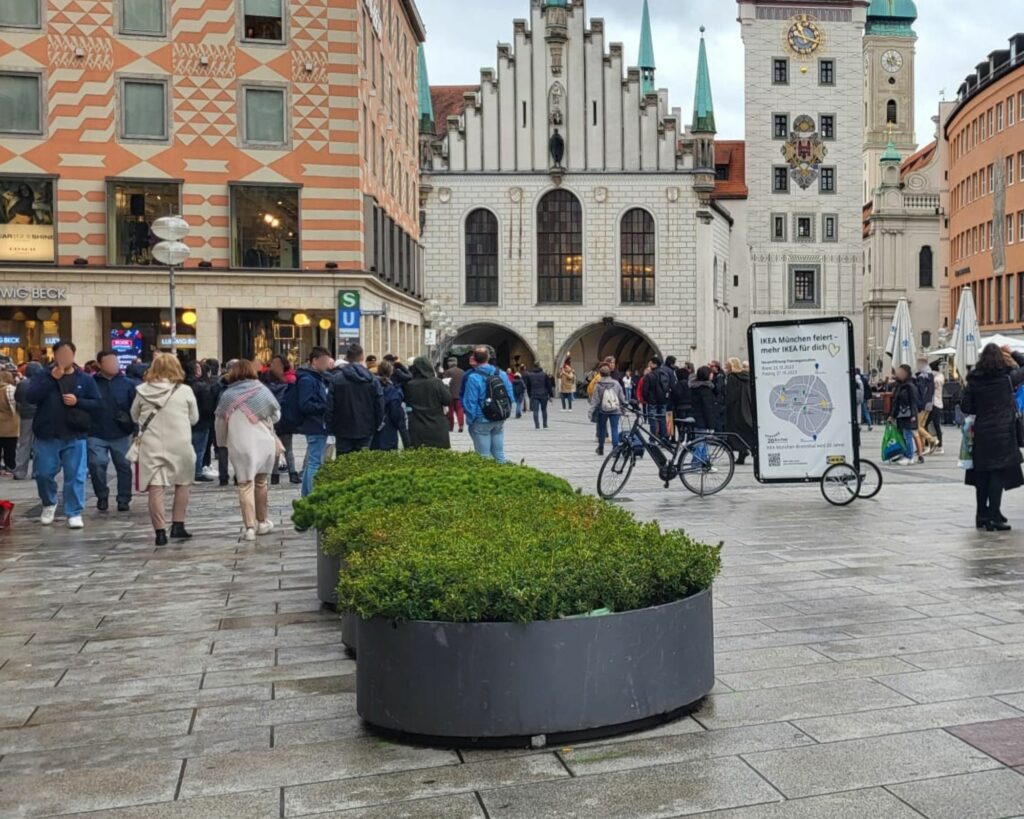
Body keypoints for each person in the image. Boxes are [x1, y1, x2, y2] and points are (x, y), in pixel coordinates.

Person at [27, 340, 100, 529]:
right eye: (61, 355)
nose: (64, 358)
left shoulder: (84, 379)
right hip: (47, 434)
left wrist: (78, 401)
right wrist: (51, 379)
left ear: (74, 356)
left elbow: (97, 404)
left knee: (75, 475)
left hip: (75, 434)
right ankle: (49, 503)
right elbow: (31, 397)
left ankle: (74, 511)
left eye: (68, 354)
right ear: (55, 355)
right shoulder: (43, 375)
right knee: (43, 474)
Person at [131, 353, 198, 545]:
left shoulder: (142, 390)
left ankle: (159, 532)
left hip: (151, 445)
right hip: (180, 443)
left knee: (156, 487)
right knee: (182, 483)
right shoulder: (185, 390)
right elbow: (194, 418)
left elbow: (134, 415)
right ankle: (178, 525)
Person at [215, 359, 281, 542]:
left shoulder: (227, 395)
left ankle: (249, 527)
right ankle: (262, 521)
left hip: (240, 444)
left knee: (245, 484)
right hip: (263, 442)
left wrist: (222, 443)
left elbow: (219, 422)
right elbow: (276, 415)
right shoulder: (262, 390)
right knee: (261, 482)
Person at [961, 344, 1024, 531]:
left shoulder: (974, 381)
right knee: (997, 473)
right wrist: (1012, 352)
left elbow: (966, 407)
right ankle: (994, 515)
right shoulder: (1007, 379)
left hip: (981, 432)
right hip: (1003, 432)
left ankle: (982, 515)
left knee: (981, 474)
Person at [87, 350, 137, 512]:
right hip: (95, 432)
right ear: (100, 364)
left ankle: (124, 498)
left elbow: (135, 409)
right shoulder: (91, 383)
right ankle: (102, 494)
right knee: (96, 464)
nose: (113, 365)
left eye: (115, 361)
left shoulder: (128, 384)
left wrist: (134, 427)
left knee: (123, 465)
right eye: (109, 362)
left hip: (121, 433)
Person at [327, 343, 384, 455]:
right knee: (362, 461)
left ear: (347, 357)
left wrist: (330, 426)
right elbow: (379, 404)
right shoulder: (372, 379)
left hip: (342, 427)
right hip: (366, 426)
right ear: (362, 357)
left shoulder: (336, 379)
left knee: (343, 461)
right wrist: (377, 424)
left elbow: (330, 405)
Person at [461, 346, 514, 463]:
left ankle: (488, 479)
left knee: (483, 456)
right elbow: (510, 395)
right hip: (499, 418)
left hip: (482, 419)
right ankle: (505, 476)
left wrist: (471, 420)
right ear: (488, 358)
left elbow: (470, 402)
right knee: (499, 454)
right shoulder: (501, 374)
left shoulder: (473, 377)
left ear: (474, 358)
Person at [294, 347, 332, 496]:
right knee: (316, 462)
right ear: (314, 361)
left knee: (313, 461)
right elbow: (304, 404)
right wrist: (325, 406)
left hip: (318, 424)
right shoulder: (307, 379)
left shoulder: (317, 378)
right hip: (315, 424)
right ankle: (312, 494)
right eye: (323, 362)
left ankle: (306, 494)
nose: (326, 365)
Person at [262, 355, 298, 485]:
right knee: (288, 448)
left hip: (272, 419)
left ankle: (274, 476)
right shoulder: (290, 383)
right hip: (286, 418)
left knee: (275, 448)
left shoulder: (265, 387)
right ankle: (293, 474)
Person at [403, 356, 451, 449]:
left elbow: (407, 401)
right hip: (437, 424)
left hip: (417, 425)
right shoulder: (436, 382)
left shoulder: (410, 385)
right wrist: (446, 387)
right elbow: (447, 400)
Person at [186, 360, 220, 485]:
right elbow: (208, 406)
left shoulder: (182, 386)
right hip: (202, 422)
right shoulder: (202, 386)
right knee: (199, 449)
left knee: (188, 449)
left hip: (185, 422)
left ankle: (188, 472)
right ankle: (197, 472)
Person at [13, 361, 43, 480]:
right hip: (40, 415)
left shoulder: (22, 384)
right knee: (39, 444)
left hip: (25, 416)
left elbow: (17, 398)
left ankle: (20, 471)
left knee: (24, 443)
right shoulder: (42, 383)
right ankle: (37, 471)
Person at [371, 361, 410, 451]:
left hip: (373, 432)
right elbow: (397, 415)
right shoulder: (392, 390)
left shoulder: (371, 387)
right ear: (391, 372)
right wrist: (407, 444)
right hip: (388, 431)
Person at [724, 358, 756, 465]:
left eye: (727, 365)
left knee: (736, 432)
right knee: (745, 430)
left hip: (736, 409)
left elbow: (731, 395)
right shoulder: (746, 377)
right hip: (746, 408)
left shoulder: (732, 377)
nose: (725, 367)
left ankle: (742, 453)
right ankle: (746, 452)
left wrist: (725, 404)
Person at [888, 365, 920, 466]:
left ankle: (910, 456)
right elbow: (895, 402)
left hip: (908, 414)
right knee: (903, 435)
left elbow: (914, 401)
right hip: (900, 414)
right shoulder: (899, 386)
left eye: (901, 372)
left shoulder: (910, 386)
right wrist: (892, 415)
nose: (898, 374)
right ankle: (906, 454)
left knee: (908, 435)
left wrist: (913, 415)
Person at [590, 365, 626, 456]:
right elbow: (621, 397)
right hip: (615, 410)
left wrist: (591, 411)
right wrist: (623, 408)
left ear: (600, 374)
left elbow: (595, 400)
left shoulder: (598, 385)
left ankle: (601, 448)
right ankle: (615, 449)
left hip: (603, 410)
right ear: (609, 373)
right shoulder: (616, 383)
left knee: (602, 429)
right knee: (614, 428)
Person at [915, 357, 940, 456]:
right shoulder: (930, 375)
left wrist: (919, 404)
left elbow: (921, 392)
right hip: (930, 403)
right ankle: (923, 447)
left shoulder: (922, 377)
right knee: (922, 425)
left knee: (917, 426)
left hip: (923, 404)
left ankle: (932, 440)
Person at [524, 362, 554, 429]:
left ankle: (537, 426)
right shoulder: (544, 375)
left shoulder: (530, 375)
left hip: (534, 394)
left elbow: (528, 386)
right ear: (539, 366)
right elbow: (549, 385)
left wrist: (529, 395)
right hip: (544, 394)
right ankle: (545, 425)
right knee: (544, 410)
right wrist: (551, 395)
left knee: (535, 410)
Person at [690, 366, 717, 433]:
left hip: (696, 418)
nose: (712, 374)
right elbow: (707, 408)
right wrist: (711, 425)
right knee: (702, 440)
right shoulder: (705, 390)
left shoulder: (694, 387)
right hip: (703, 421)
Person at [442, 357, 466, 432]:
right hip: (460, 395)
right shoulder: (462, 372)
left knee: (450, 412)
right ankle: (461, 425)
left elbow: (444, 383)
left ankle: (450, 427)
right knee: (460, 410)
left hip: (450, 395)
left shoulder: (448, 372)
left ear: (449, 363)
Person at [0, 371, 17, 475]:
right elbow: (13, 405)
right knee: (10, 447)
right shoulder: (10, 389)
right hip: (9, 422)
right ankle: (9, 466)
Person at [928, 361, 945, 453]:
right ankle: (936, 444)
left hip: (935, 403)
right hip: (935, 403)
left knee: (930, 424)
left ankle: (936, 444)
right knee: (935, 424)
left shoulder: (938, 377)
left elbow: (936, 383)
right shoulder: (939, 376)